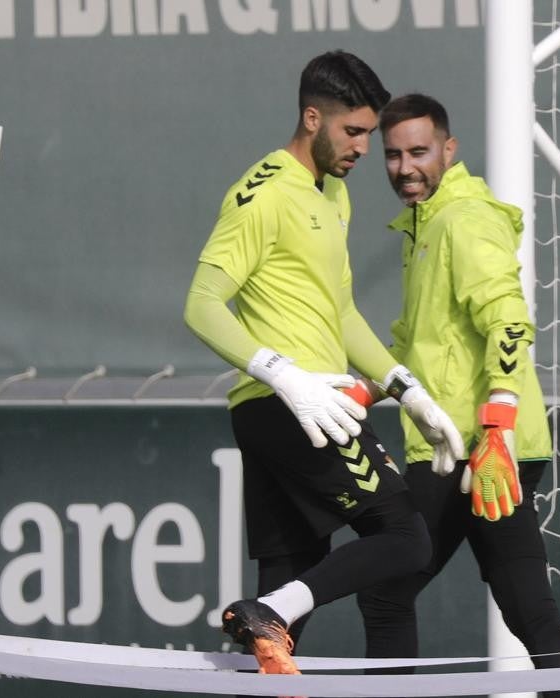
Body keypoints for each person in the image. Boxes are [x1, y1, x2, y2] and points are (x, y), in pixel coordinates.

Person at [183, 55, 464, 678]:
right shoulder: (261, 193)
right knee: (404, 538)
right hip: (293, 408)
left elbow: (339, 312)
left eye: (369, 133)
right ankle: (267, 611)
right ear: (313, 118)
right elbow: (201, 304)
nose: (366, 148)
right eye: (353, 132)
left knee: (287, 598)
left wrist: (407, 389)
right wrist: (286, 377)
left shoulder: (333, 194)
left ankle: (271, 621)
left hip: (301, 408)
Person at [350, 93, 560, 697]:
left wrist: (498, 431)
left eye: (419, 152)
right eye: (394, 154)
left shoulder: (464, 219)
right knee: (528, 608)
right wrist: (358, 392)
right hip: (478, 445)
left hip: (473, 449)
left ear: (448, 150)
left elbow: (508, 322)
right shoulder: (425, 227)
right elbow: (421, 351)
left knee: (386, 591)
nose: (405, 167)